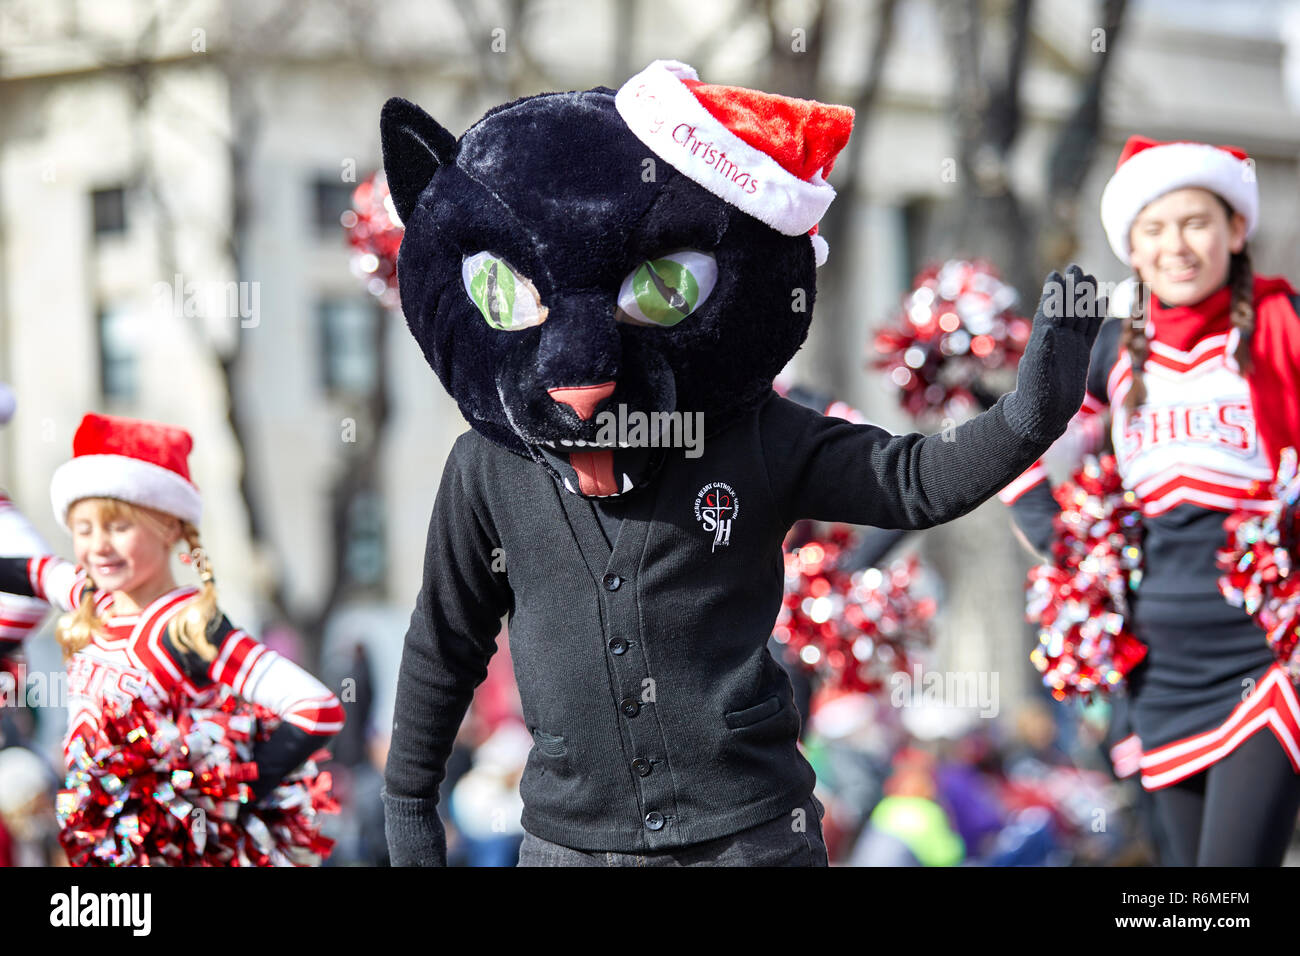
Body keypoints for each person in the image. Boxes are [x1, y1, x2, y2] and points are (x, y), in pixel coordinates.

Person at [999, 136, 1300, 866]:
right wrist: (1065, 548)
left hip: (1268, 662)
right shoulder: (1107, 352)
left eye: (1197, 222)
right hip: (1156, 673)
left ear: (1235, 229)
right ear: (1131, 247)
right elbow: (1022, 441)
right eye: (1155, 229)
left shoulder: (1283, 327)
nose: (1178, 246)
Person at [0, 412, 346, 860]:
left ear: (170, 527)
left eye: (118, 526)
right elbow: (29, 570)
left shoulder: (186, 626)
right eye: (83, 529)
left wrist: (232, 793)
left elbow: (317, 709)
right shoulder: (90, 595)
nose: (98, 545)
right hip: (102, 848)